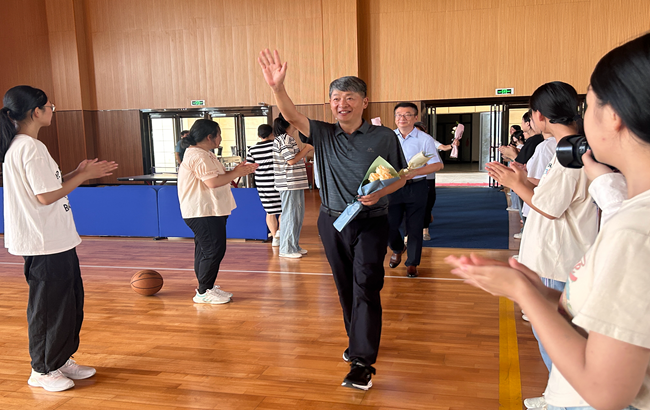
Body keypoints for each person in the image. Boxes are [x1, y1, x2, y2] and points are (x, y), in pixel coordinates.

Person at [446, 32, 650, 410]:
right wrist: (545, 296)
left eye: (588, 105)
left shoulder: (634, 232)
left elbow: (606, 391)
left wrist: (524, 293)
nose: (581, 117)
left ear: (616, 116)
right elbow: (606, 318)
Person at [258, 48, 410, 390]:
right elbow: (292, 115)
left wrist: (381, 194)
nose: (343, 103)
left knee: (367, 284)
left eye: (350, 97)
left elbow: (400, 177)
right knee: (345, 286)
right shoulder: (324, 134)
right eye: (336, 98)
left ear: (364, 102)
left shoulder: (383, 136)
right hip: (333, 221)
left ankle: (362, 362)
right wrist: (277, 88)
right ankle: (357, 339)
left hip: (372, 220)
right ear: (330, 104)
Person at [485, 81, 599, 409]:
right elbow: (556, 191)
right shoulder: (571, 148)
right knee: (556, 331)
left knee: (554, 334)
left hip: (559, 258)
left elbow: (549, 206)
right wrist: (525, 179)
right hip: (562, 254)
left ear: (539, 115)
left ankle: (563, 400)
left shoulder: (568, 154)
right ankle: (556, 395)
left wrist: (514, 184)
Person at [1, 85, 118, 392]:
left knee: (68, 303)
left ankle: (60, 358)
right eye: (50, 105)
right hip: (44, 241)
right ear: (35, 111)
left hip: (54, 239)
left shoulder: (26, 146)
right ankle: (42, 369)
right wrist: (82, 176)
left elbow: (45, 187)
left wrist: (77, 172)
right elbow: (44, 197)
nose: (53, 109)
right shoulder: (29, 147)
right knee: (49, 307)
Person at [177, 119, 257, 304]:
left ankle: (207, 286)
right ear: (209, 137)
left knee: (206, 250)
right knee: (213, 251)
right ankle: (203, 292)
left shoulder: (204, 153)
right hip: (202, 211)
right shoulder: (199, 156)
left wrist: (237, 170)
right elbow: (212, 182)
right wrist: (238, 173)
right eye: (219, 134)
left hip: (208, 210)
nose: (220, 138)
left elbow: (217, 177)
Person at [388, 103, 443, 277]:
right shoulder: (387, 137)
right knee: (388, 225)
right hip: (393, 187)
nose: (402, 118)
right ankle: (397, 248)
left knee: (415, 227)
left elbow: (437, 164)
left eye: (407, 115)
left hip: (416, 187)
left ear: (415, 118)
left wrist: (415, 172)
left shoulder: (424, 139)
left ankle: (412, 263)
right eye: (398, 115)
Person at [272, 113, 313, 258]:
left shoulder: (287, 139)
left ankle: (293, 245)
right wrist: (307, 148)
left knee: (296, 215)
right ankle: (286, 248)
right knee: (290, 214)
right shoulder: (284, 139)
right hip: (289, 183)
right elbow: (291, 160)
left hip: (294, 183)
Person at [414, 121, 453, 240]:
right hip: (412, 178)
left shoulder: (428, 140)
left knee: (427, 203)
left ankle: (425, 229)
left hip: (428, 177)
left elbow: (444, 147)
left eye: (419, 131)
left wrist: (453, 145)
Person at [246, 124, 281, 246]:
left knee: (270, 211)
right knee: (283, 210)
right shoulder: (277, 146)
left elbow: (250, 168)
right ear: (272, 133)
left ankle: (275, 237)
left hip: (263, 184)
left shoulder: (253, 149)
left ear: (259, 135)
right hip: (279, 182)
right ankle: (280, 233)